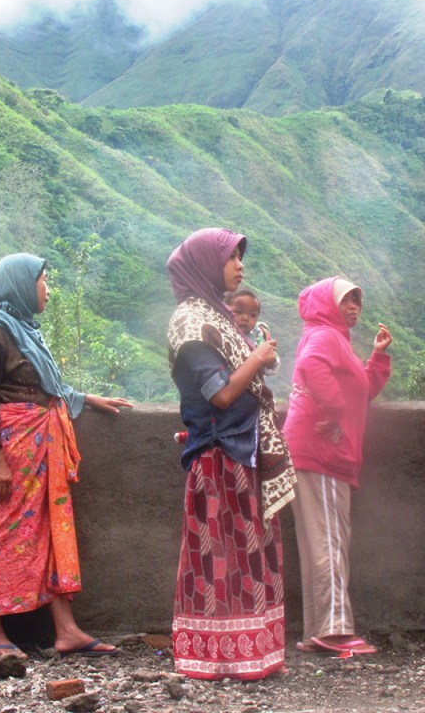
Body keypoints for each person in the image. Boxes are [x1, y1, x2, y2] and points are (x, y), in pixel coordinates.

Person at [0, 252, 132, 660]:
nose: (48, 290)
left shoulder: (25, 331)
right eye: (43, 281)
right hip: (7, 452)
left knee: (51, 534)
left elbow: (42, 387)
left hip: (39, 452)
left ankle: (66, 629)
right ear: (20, 285)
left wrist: (83, 398)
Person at [166, 227, 296, 681]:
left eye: (241, 257)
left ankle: (249, 652)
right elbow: (219, 396)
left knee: (244, 550)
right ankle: (217, 656)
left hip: (242, 451)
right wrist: (257, 359)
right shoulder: (192, 324)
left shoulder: (215, 315)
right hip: (220, 455)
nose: (240, 266)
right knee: (219, 554)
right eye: (232, 258)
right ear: (206, 263)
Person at [282, 277, 392, 657]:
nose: (354, 307)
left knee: (319, 539)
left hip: (314, 452)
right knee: (329, 539)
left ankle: (318, 629)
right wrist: (331, 411)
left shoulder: (332, 338)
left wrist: (377, 358)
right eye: (347, 299)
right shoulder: (324, 337)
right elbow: (311, 367)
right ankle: (335, 631)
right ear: (327, 304)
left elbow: (357, 391)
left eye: (357, 301)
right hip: (321, 450)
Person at [225, 288, 280, 375]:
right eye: (239, 312)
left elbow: (271, 365)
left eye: (252, 315)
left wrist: (272, 361)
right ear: (225, 309)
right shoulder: (223, 333)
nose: (245, 318)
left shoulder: (257, 335)